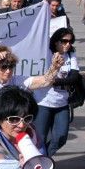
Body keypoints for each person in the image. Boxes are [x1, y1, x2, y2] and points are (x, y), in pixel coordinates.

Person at [33, 28, 80, 156]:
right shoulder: (45, 53)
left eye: (70, 42)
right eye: (64, 41)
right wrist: (61, 80)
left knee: (60, 137)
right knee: (39, 138)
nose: (68, 44)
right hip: (43, 103)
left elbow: (75, 77)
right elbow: (43, 77)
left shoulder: (71, 54)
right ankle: (39, 164)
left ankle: (44, 158)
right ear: (55, 42)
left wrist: (53, 80)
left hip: (62, 103)